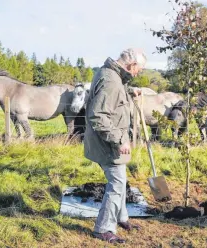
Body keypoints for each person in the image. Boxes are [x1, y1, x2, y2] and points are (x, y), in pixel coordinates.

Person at [83, 48, 146, 244]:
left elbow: (111, 96)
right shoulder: (111, 81)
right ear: (132, 65)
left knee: (120, 180)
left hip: (104, 142)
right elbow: (98, 116)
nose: (138, 74)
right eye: (139, 70)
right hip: (108, 144)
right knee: (117, 184)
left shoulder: (108, 74)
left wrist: (128, 91)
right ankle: (103, 228)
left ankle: (122, 218)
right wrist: (119, 139)